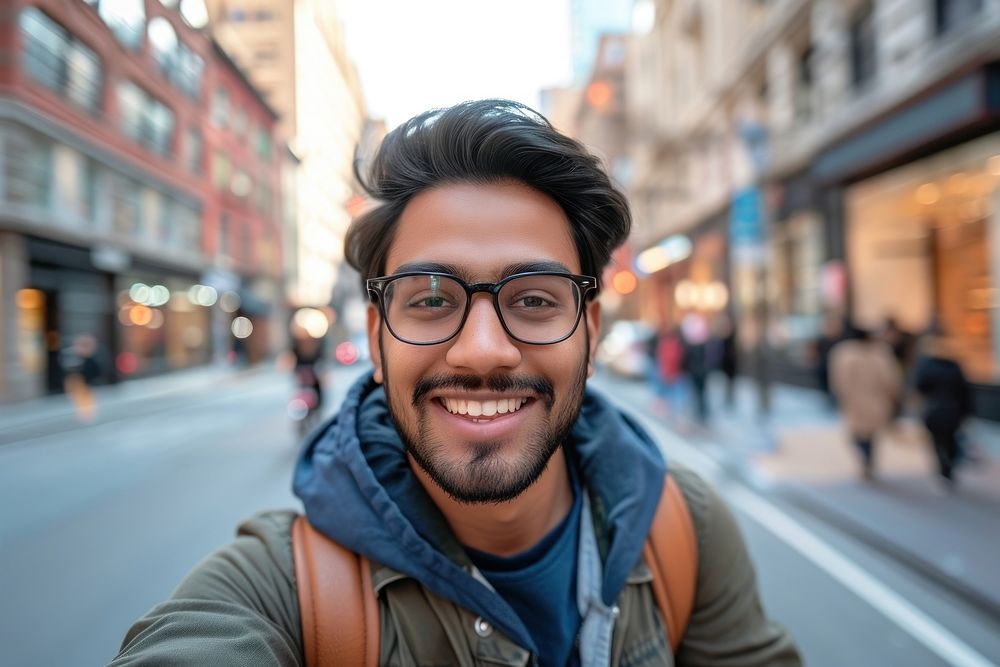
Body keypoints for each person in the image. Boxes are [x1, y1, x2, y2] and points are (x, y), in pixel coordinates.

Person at [111, 100, 800, 666]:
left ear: (589, 332)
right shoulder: (279, 588)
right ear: (377, 337)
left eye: (534, 299)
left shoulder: (684, 527)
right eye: (431, 299)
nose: (482, 350)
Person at [829, 325, 902, 480]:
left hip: (855, 401)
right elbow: (891, 379)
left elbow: (839, 380)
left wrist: (841, 396)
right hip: (875, 400)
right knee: (870, 433)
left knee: (857, 433)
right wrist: (894, 396)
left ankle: (865, 457)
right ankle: (868, 458)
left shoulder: (844, 353)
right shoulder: (880, 353)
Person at [913, 332, 973, 489]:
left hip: (934, 410)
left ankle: (943, 471)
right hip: (953, 411)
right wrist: (967, 412)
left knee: (937, 443)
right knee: (950, 441)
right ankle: (949, 470)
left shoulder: (927, 365)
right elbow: (964, 391)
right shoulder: (954, 366)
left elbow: (919, 387)